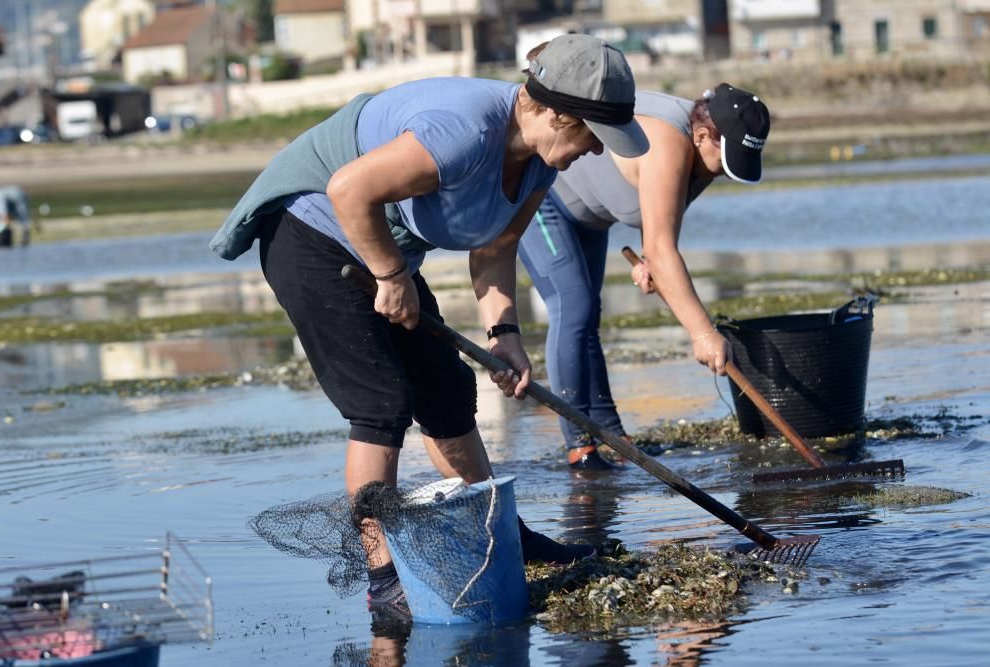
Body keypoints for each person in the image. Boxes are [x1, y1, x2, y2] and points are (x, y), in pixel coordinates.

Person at [209, 34, 649, 620]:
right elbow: (349, 189)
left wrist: (504, 336)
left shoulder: (542, 162)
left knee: (445, 389)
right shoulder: (464, 130)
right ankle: (382, 573)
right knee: (380, 405)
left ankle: (504, 537)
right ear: (554, 113)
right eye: (594, 136)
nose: (596, 152)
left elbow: (496, 247)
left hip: (380, 251)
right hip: (311, 234)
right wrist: (391, 274)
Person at [517, 83, 770, 470]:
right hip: (542, 193)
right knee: (574, 307)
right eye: (725, 160)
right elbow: (663, 249)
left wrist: (653, 262)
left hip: (589, 215)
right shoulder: (670, 141)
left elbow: (659, 234)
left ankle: (611, 432)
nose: (722, 173)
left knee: (588, 315)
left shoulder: (703, 152)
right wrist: (703, 333)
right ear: (702, 135)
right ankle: (580, 446)